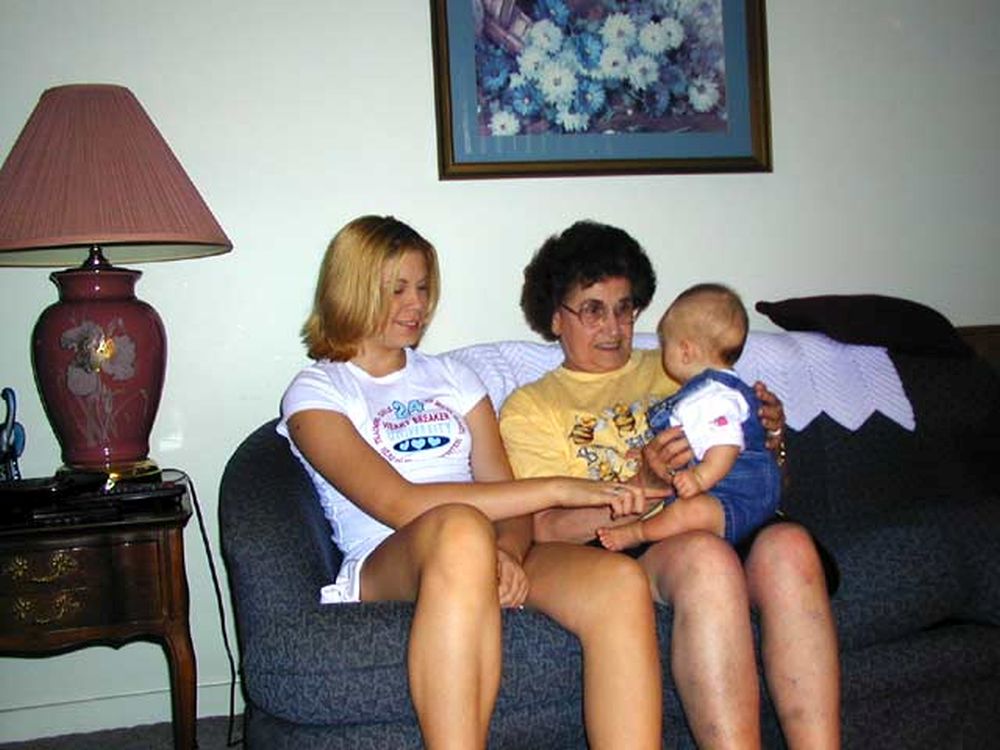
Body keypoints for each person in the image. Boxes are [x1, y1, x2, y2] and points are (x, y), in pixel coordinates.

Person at [277, 215, 663, 750]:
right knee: (460, 529)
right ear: (353, 288)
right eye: (397, 289)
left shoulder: (454, 377)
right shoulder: (318, 389)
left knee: (618, 582)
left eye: (423, 288)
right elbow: (399, 503)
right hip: (388, 557)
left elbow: (507, 498)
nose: (416, 304)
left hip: (474, 543)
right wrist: (557, 488)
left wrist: (505, 551)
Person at [500, 220, 840, 749]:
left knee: (792, 546)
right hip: (625, 544)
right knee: (705, 558)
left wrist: (770, 440)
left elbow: (763, 484)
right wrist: (640, 483)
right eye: (592, 310)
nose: (614, 327)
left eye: (625, 307)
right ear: (555, 317)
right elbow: (545, 528)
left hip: (715, 515)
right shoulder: (532, 407)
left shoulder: (679, 367)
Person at [597, 282, 781, 552]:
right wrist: (646, 453)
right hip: (725, 498)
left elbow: (726, 444)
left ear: (685, 351)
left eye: (666, 344)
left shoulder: (713, 396)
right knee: (690, 514)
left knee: (688, 512)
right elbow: (693, 439)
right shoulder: (704, 394)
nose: (662, 351)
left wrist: (700, 478)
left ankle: (637, 532)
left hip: (737, 498)